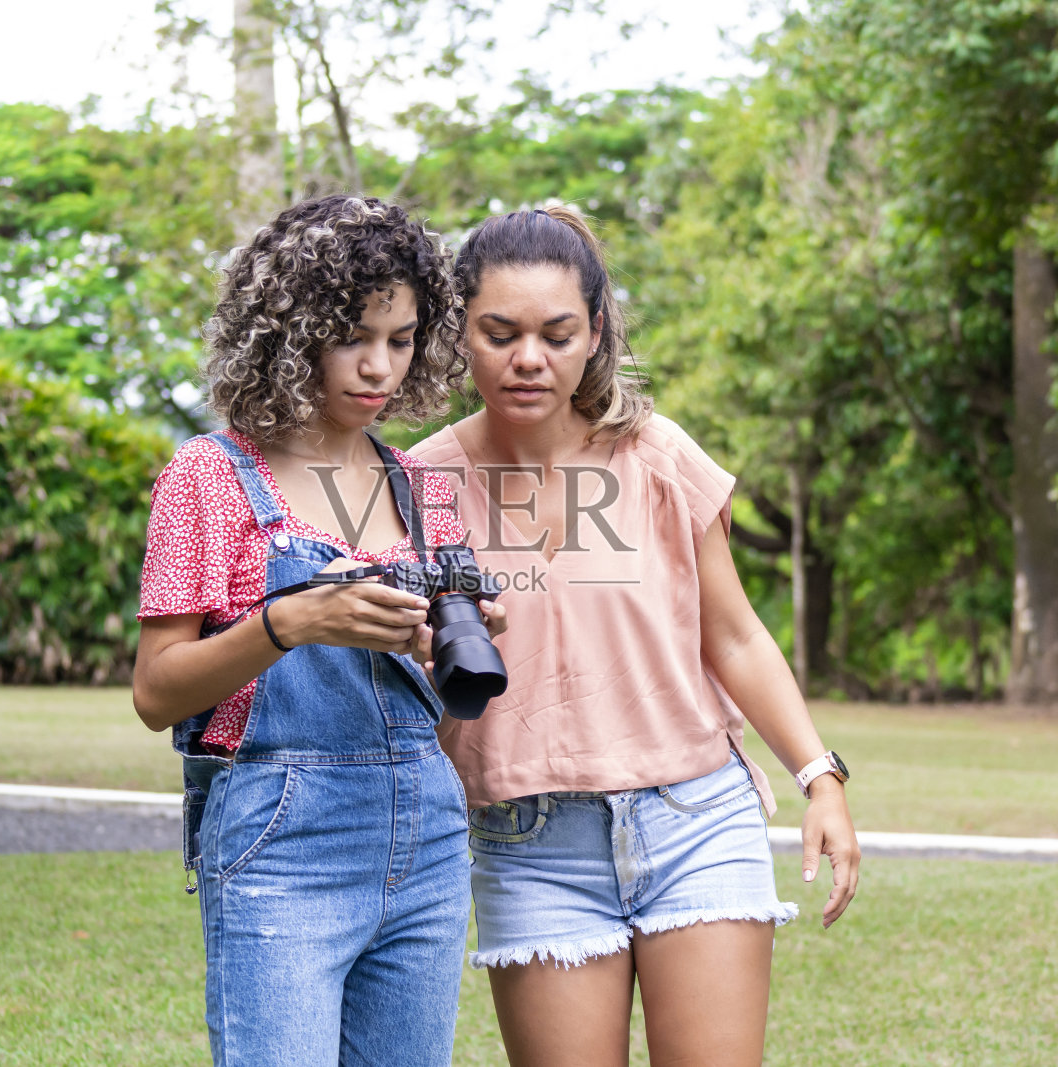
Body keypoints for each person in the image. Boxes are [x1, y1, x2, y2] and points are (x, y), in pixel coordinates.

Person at [410, 206, 860, 1066]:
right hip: (528, 841)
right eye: (498, 332)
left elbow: (734, 638)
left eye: (556, 332)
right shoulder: (421, 485)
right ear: (458, 331)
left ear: (596, 333)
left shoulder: (656, 458)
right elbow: (402, 685)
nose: (528, 358)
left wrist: (820, 776)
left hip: (694, 816)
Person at [132, 194, 500, 1066]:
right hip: (280, 832)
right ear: (289, 332)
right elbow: (156, 693)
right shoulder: (208, 478)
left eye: (401, 339)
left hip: (427, 829)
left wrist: (440, 636)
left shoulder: (421, 487)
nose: (378, 368)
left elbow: (448, 703)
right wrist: (292, 620)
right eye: (352, 337)